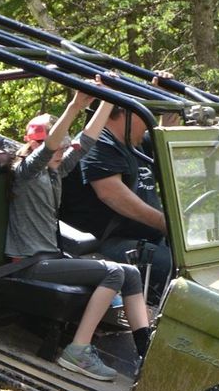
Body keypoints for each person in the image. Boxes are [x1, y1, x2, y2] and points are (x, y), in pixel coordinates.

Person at [5, 80, 153, 383]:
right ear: (32, 145)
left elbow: (86, 141)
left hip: (49, 259)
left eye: (62, 144)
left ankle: (145, 352)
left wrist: (107, 100)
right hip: (28, 263)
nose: (60, 149)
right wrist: (75, 106)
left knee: (131, 273)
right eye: (53, 145)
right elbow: (47, 149)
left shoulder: (56, 171)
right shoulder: (25, 172)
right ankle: (78, 351)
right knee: (113, 272)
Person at [62, 82, 177, 306]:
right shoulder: (98, 144)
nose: (150, 123)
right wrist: (167, 224)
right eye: (147, 114)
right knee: (179, 274)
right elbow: (111, 194)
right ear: (126, 112)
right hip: (104, 243)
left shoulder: (137, 144)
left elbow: (168, 139)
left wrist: (165, 95)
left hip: (147, 237)